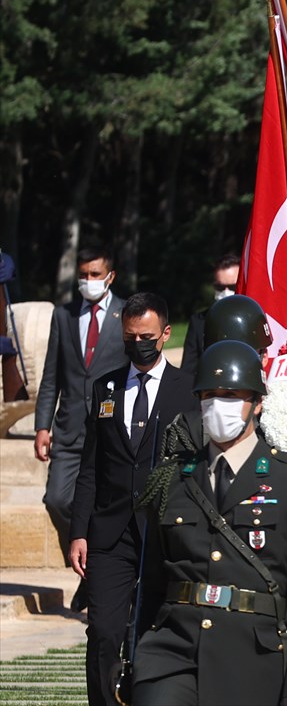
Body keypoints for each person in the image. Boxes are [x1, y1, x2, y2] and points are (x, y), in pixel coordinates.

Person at [132, 340, 287, 706]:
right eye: (209, 395)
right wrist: (134, 657)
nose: (217, 405)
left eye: (231, 395)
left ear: (257, 402)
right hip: (171, 652)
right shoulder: (171, 479)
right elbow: (152, 584)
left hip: (253, 659)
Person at [67, 292, 197, 706]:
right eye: (129, 336)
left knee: (153, 629)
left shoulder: (187, 390)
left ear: (165, 335)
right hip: (110, 531)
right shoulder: (105, 386)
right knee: (104, 631)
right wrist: (78, 532)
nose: (137, 343)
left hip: (165, 531)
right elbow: (91, 466)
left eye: (146, 335)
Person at [35, 245, 129, 610]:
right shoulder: (64, 315)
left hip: (108, 427)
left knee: (104, 504)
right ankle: (85, 565)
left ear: (110, 276)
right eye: (83, 274)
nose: (87, 281)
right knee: (57, 498)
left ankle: (94, 578)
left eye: (94, 274)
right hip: (70, 427)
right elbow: (50, 376)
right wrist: (43, 425)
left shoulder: (125, 314)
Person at [179, 254, 240, 375]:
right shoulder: (199, 321)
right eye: (219, 287)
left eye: (233, 286)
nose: (226, 292)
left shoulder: (256, 318)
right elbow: (188, 370)